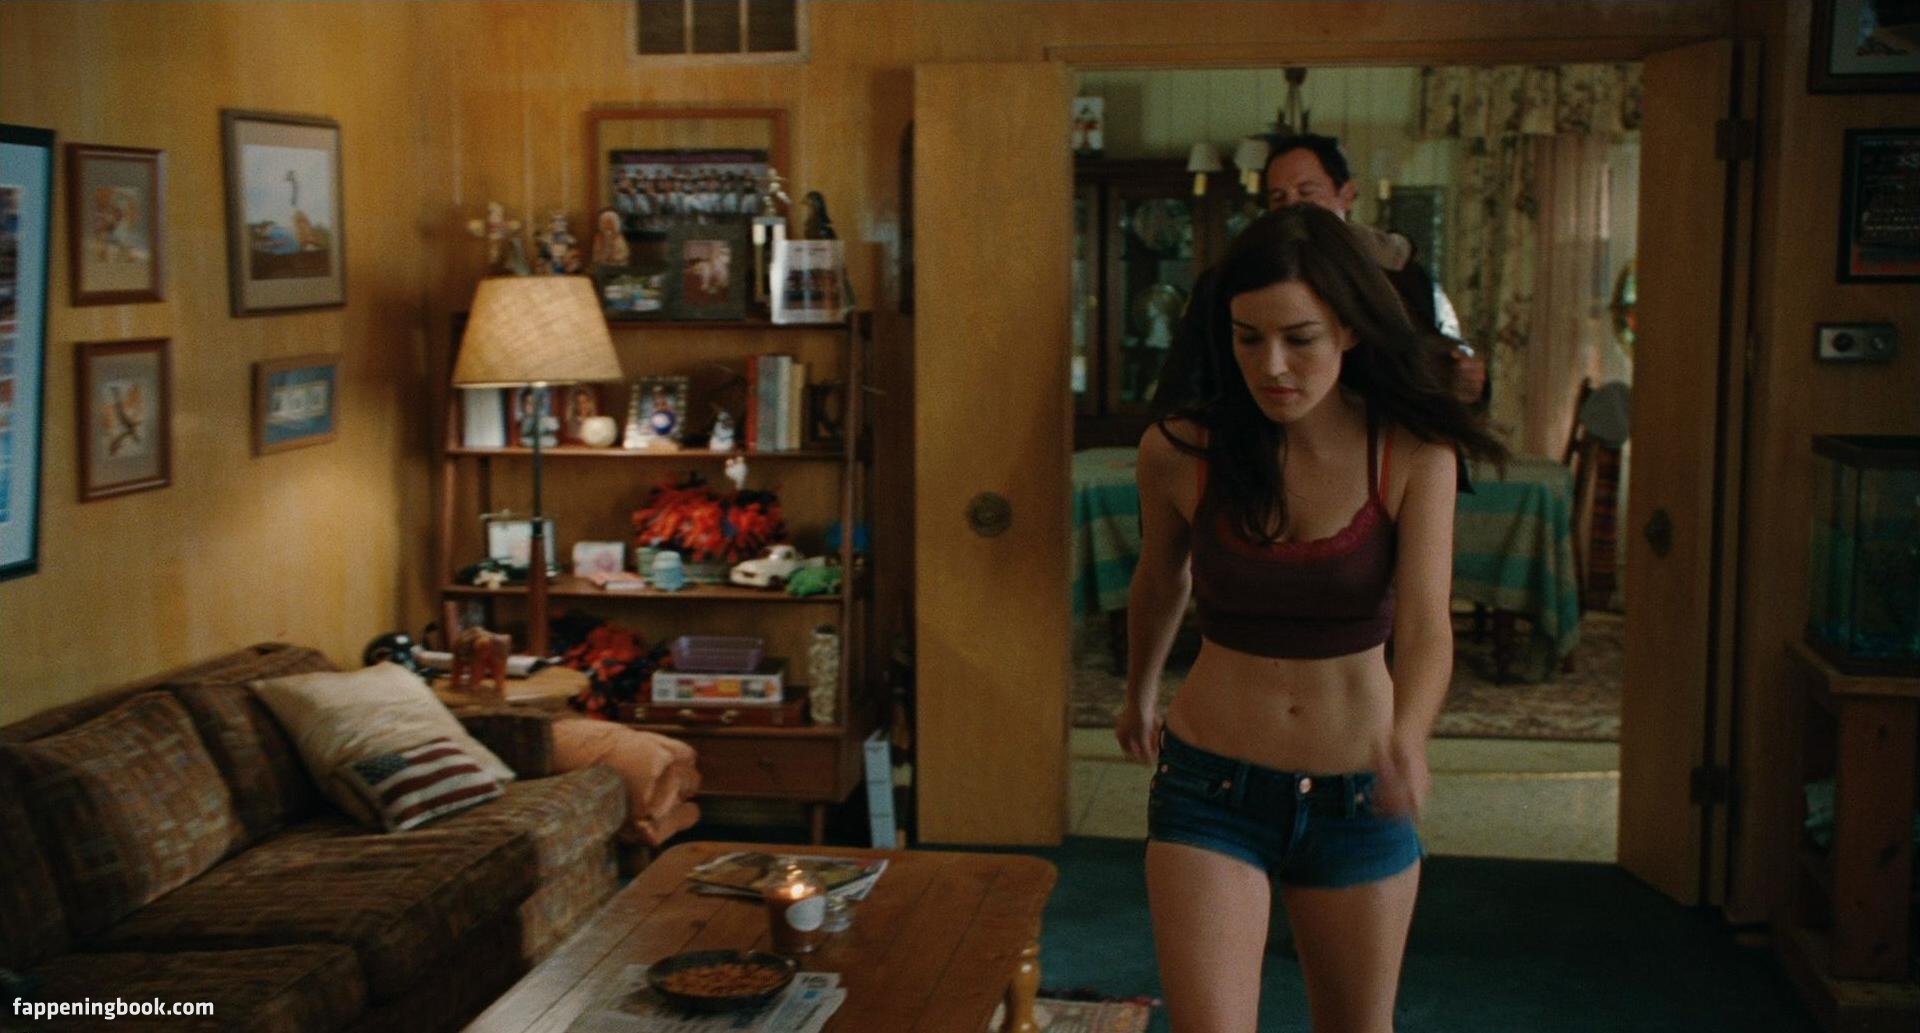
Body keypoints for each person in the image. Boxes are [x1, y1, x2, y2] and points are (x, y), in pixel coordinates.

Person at [1119, 204, 1506, 1033]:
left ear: (1351, 330)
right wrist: (1137, 691)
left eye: (1300, 338)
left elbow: (1427, 627)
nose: (1272, 365)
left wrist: (1410, 737)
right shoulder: (1181, 448)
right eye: (1248, 338)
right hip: (1209, 784)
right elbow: (1160, 579)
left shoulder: (1412, 453)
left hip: (1357, 792)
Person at [1264, 134, 1488, 407]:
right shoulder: (1255, 276)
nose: (1292, 206)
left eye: (1306, 192)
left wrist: (1466, 378)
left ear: (1346, 195)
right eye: (1278, 197)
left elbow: (1440, 353)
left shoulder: (1395, 269)